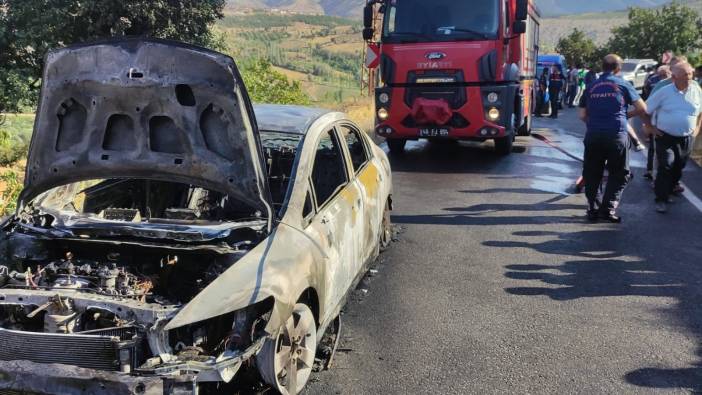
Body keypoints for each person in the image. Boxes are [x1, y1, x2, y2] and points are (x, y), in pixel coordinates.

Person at [578, 54, 647, 223]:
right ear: (618, 68)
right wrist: (625, 115)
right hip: (616, 135)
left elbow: (582, 115)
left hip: (593, 135)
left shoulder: (591, 86)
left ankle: (593, 209)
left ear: (602, 67)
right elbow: (642, 108)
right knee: (619, 173)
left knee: (592, 173)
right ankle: (607, 210)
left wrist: (595, 122)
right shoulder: (623, 84)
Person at [641, 62, 702, 214]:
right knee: (665, 165)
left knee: (679, 166)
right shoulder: (664, 91)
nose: (689, 78)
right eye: (685, 76)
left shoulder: (697, 90)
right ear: (674, 77)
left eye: (690, 74)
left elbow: (700, 113)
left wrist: (696, 130)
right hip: (665, 136)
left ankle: (669, 190)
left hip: (687, 137)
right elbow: (644, 110)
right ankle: (661, 199)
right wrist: (650, 127)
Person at [642, 65, 672, 180]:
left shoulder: (674, 83)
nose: (663, 76)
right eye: (661, 74)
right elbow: (646, 94)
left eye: (665, 74)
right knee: (654, 147)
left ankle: (668, 176)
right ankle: (651, 171)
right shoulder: (654, 81)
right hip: (655, 117)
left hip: (667, 121)